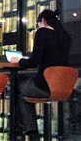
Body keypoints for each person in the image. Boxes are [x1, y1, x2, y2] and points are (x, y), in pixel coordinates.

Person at [11, 9, 71, 141]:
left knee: (18, 86)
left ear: (42, 21)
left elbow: (34, 62)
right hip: (63, 86)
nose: (37, 27)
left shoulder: (42, 32)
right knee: (26, 84)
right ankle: (30, 131)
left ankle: (28, 131)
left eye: (37, 24)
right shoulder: (65, 36)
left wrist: (19, 61)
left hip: (45, 86)